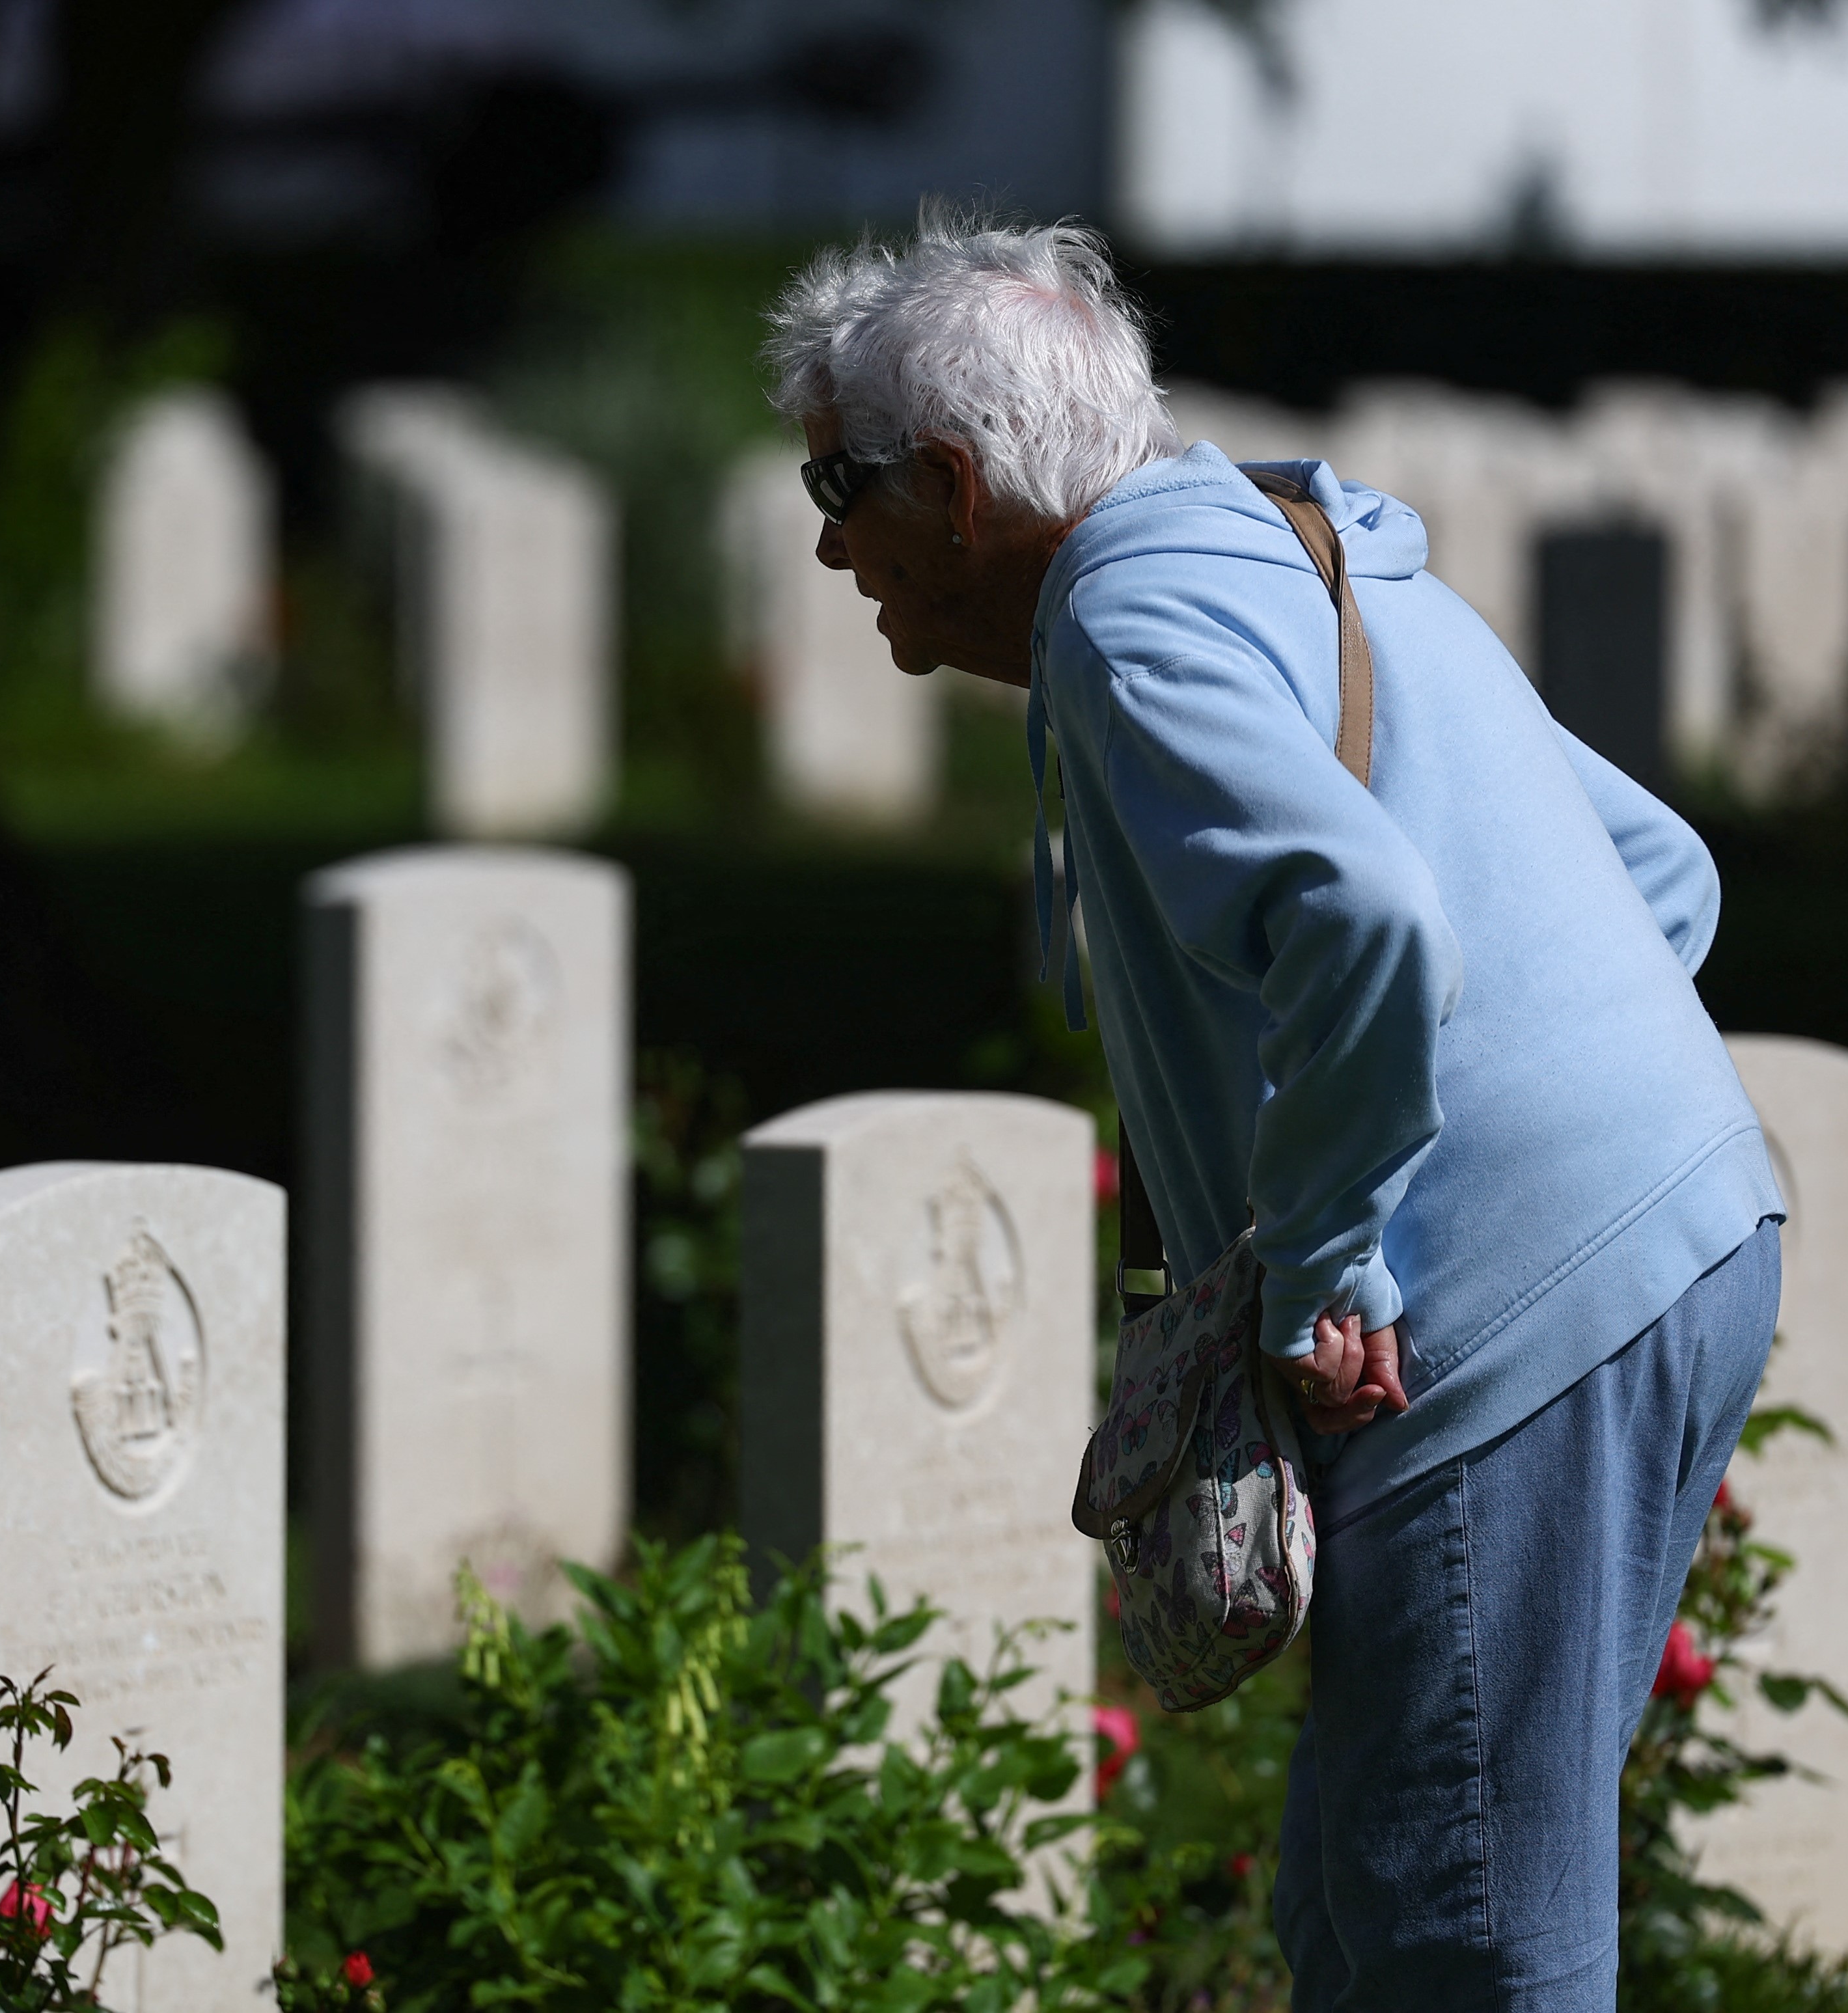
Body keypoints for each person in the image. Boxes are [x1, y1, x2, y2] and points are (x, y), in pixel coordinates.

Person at [760, 212, 1785, 2012]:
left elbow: (1368, 914)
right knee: (1360, 1888)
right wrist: (1586, 1111)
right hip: (1682, 1233)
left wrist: (1335, 1260)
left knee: (1453, 1917)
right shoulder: (1292, 546)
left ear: (949, 481)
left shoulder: (1125, 616)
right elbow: (1656, 872)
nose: (830, 541)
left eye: (837, 488)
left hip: (1506, 1323)